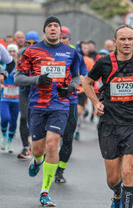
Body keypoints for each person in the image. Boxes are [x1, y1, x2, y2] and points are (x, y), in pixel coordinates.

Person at [82, 24, 133, 208]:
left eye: (130, 39)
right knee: (113, 179)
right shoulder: (104, 62)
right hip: (109, 123)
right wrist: (95, 102)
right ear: (115, 41)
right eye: (122, 39)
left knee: (127, 173)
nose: (126, 42)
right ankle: (117, 194)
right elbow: (86, 82)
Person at [14, 16, 80, 206]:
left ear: (60, 31)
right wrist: (36, 80)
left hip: (60, 106)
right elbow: (18, 78)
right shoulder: (31, 51)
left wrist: (70, 89)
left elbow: (76, 77)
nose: (53, 29)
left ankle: (45, 191)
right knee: (38, 149)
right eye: (49, 26)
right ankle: (36, 160)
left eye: (56, 26)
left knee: (52, 145)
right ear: (45, 30)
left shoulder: (71, 53)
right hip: (37, 106)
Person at [54, 26, 88, 183]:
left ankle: (60, 170)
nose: (62, 41)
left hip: (71, 101)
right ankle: (46, 159)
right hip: (51, 101)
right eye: (60, 38)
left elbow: (85, 75)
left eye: (64, 38)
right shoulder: (49, 54)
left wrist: (76, 84)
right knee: (51, 138)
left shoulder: (76, 56)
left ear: (69, 39)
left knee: (67, 138)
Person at [17, 31, 40, 159]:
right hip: (24, 90)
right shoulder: (22, 53)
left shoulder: (42, 54)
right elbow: (18, 73)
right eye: (28, 43)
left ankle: (37, 145)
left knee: (36, 118)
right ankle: (26, 146)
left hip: (37, 90)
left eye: (34, 43)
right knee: (24, 117)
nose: (31, 45)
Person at [0, 44, 19, 153]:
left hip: (16, 99)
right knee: (5, 118)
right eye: (10, 51)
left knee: (13, 121)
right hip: (4, 98)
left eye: (14, 51)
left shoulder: (21, 66)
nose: (12, 53)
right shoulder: (3, 66)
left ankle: (9, 142)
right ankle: (3, 137)